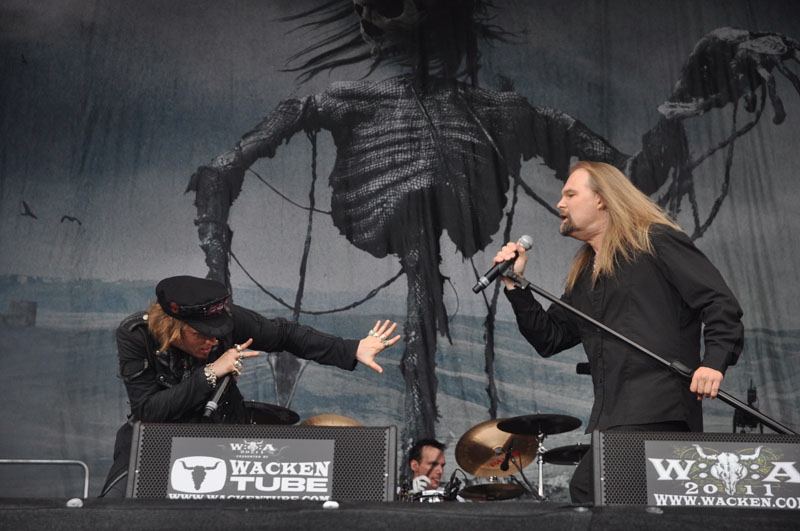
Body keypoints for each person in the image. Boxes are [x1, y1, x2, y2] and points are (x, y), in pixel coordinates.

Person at [493, 161, 744, 504]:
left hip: (659, 410)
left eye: (570, 194)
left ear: (602, 199)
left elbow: (719, 302)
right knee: (607, 498)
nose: (560, 204)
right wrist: (515, 286)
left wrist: (714, 361)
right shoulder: (586, 272)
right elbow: (550, 338)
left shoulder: (655, 240)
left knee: (590, 489)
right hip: (612, 418)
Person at [100, 275, 401, 497]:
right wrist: (211, 372)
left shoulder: (228, 320)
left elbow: (286, 334)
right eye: (202, 335)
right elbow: (148, 410)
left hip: (221, 433)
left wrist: (352, 349)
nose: (214, 340)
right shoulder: (135, 334)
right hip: (155, 444)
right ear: (172, 329)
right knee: (115, 506)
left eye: (217, 333)